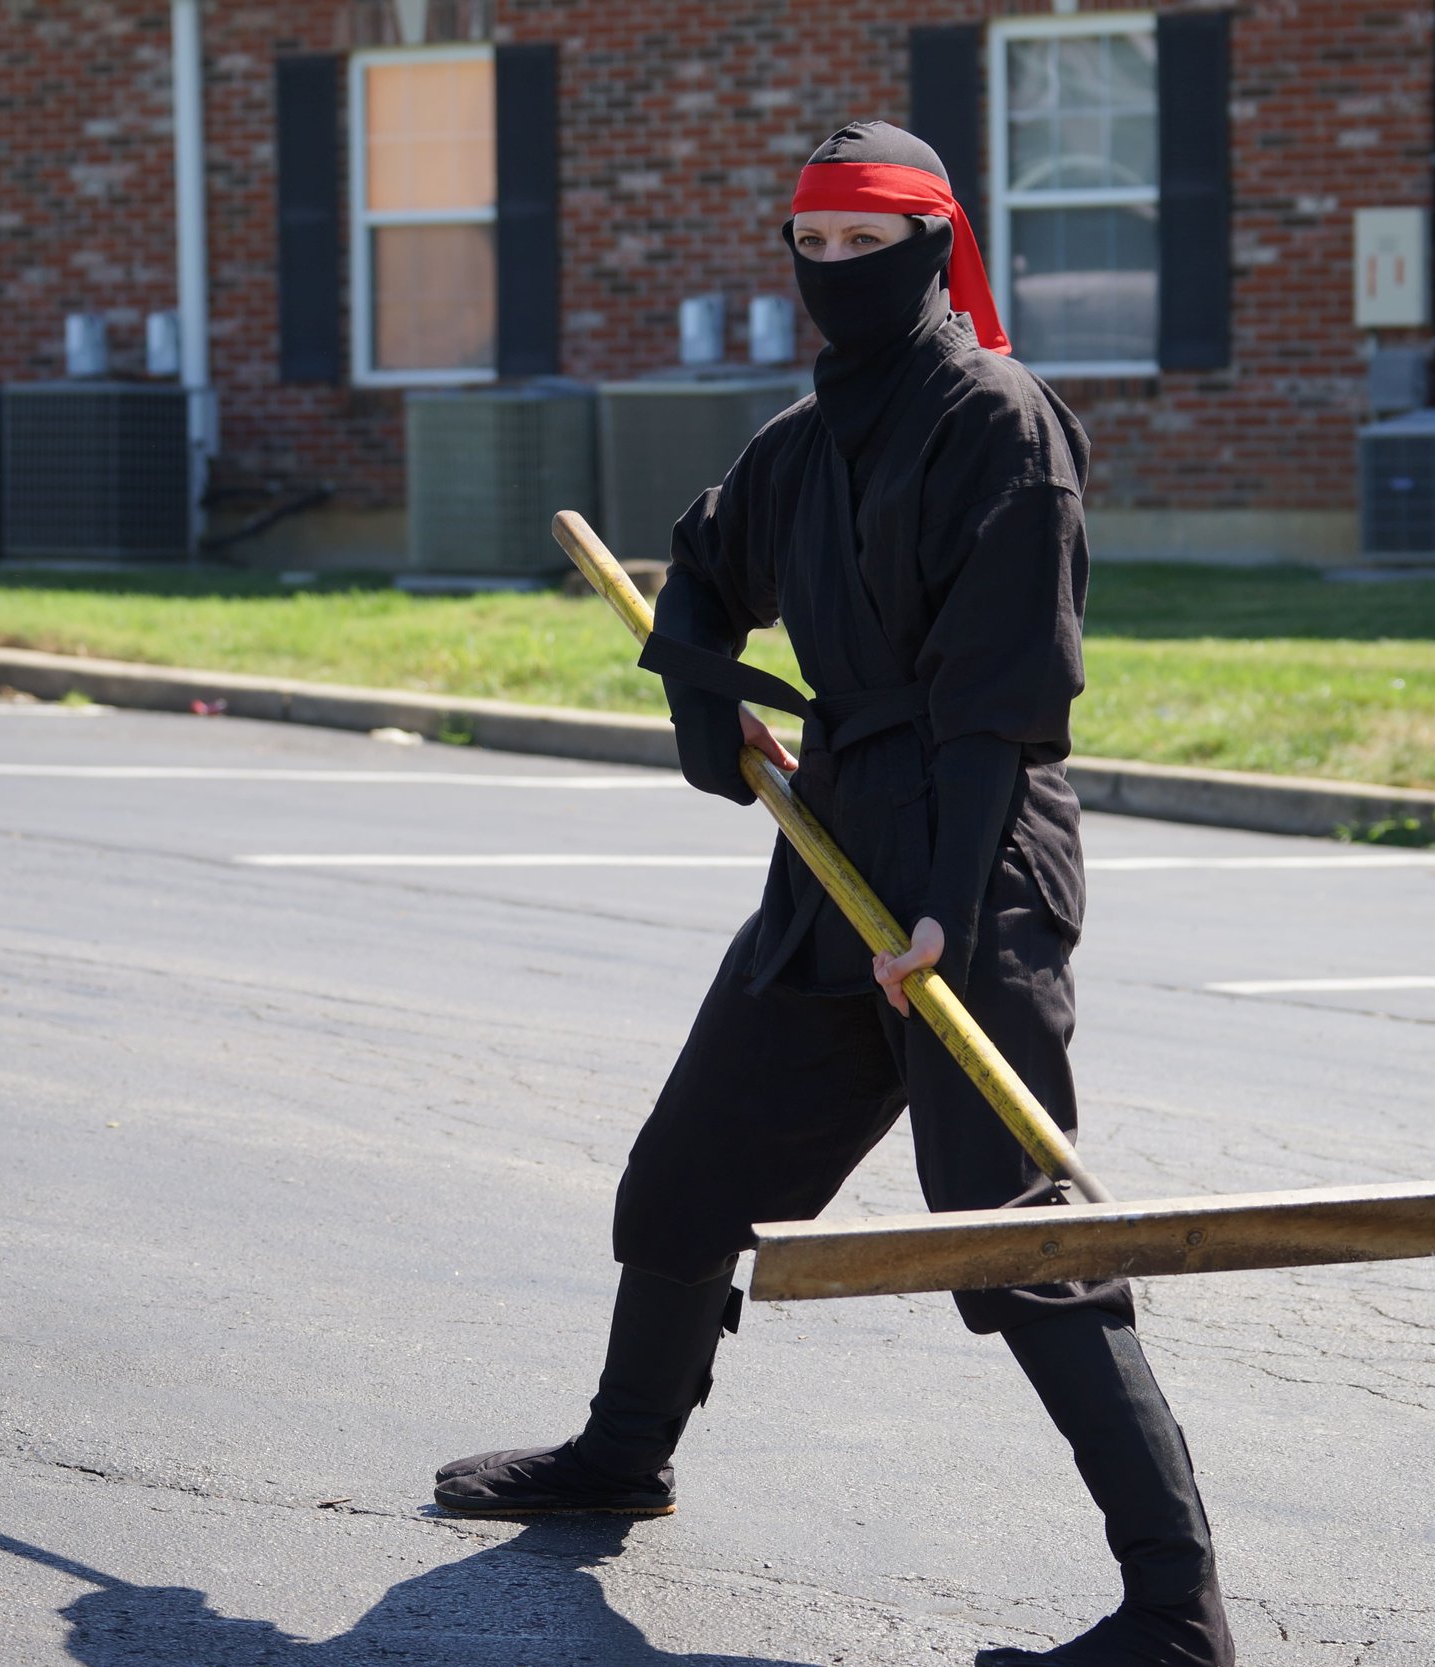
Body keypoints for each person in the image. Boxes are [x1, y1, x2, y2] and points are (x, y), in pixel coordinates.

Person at [433, 121, 1235, 1667]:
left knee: (1011, 1232)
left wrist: (941, 906)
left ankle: (1173, 1612)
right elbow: (702, 580)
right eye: (817, 246)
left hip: (974, 865)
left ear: (935, 245)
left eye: (872, 245)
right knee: (687, 1171)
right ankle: (625, 1454)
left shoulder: (1002, 422)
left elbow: (1001, 699)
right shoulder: (804, 441)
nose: (841, 273)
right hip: (833, 855)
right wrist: (712, 714)